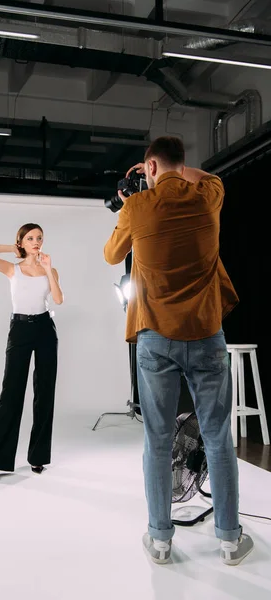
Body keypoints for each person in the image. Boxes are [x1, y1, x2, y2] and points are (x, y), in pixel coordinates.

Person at [104, 136, 254, 566]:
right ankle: (229, 540)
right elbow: (211, 176)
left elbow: (111, 252)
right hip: (207, 333)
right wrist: (170, 172)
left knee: (157, 439)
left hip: (156, 337)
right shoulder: (208, 197)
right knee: (218, 438)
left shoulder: (137, 207)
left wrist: (138, 195)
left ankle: (161, 541)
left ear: (149, 168)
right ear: (181, 163)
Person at [0, 223, 63, 483]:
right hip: (20, 329)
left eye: (39, 238)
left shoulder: (51, 269)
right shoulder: (13, 269)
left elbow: (58, 299)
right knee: (11, 394)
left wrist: (48, 271)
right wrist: (12, 248)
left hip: (45, 328)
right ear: (22, 242)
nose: (36, 241)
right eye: (30, 238)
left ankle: (37, 457)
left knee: (44, 393)